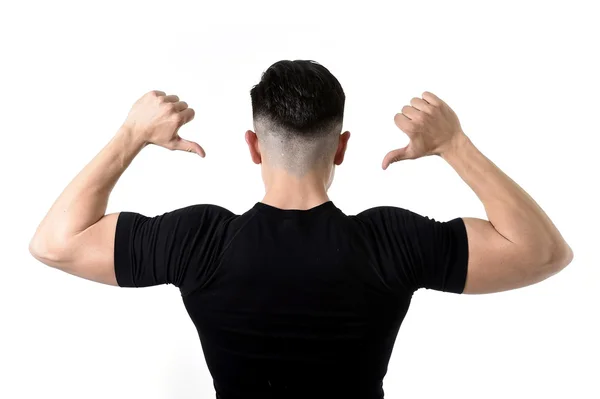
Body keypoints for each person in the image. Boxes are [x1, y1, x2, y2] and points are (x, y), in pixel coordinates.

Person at [29, 60, 573, 399]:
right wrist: (454, 144)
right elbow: (544, 254)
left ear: (253, 144)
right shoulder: (390, 242)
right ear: (342, 146)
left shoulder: (199, 241)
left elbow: (55, 244)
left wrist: (131, 134)